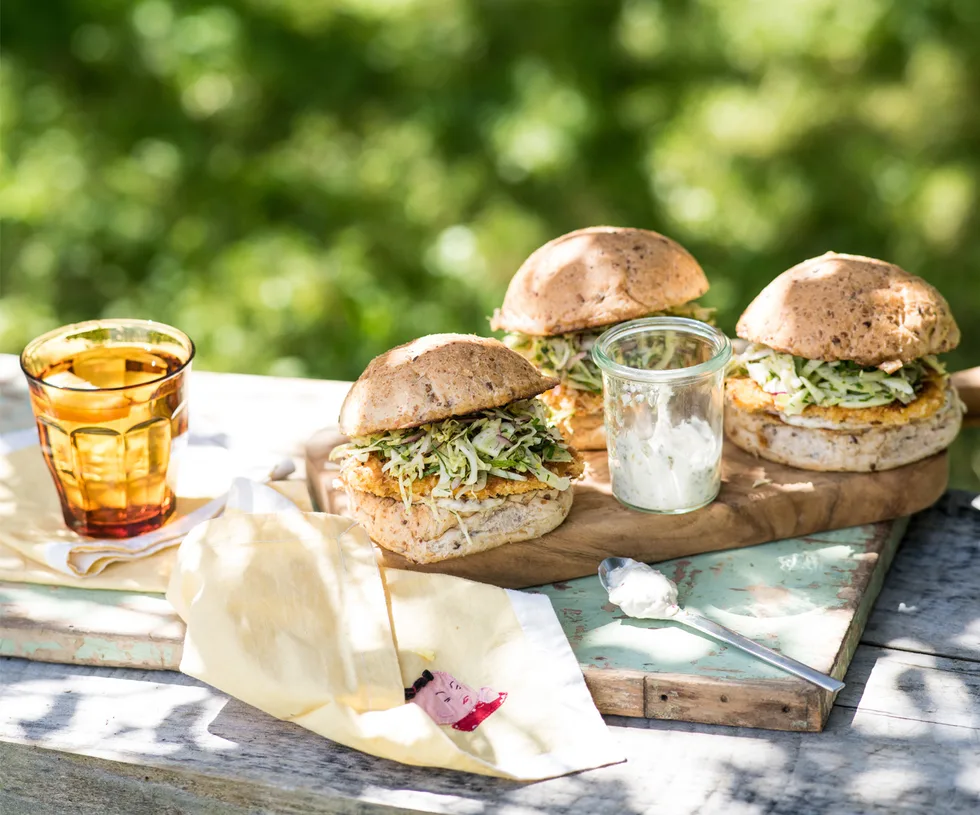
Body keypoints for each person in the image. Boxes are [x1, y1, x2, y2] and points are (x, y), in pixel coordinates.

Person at [405, 669, 506, 732]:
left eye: (457, 687)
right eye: (447, 699)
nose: (459, 695)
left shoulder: (487, 696)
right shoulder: (463, 725)